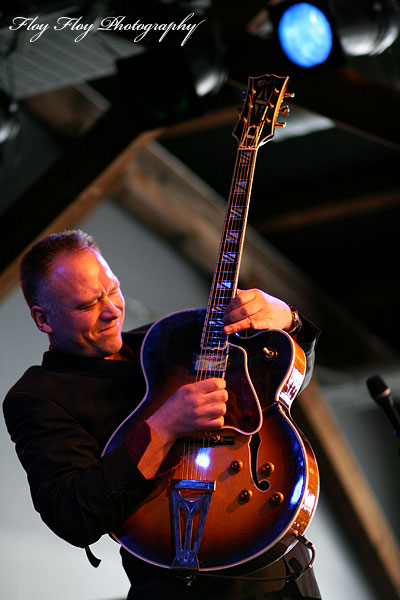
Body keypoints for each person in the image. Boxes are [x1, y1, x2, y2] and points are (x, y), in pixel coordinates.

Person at [3, 230, 321, 600]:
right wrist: (164, 426)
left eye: (113, 290)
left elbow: (281, 381)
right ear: (43, 319)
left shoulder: (170, 339)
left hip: (285, 567)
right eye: (87, 305)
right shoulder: (38, 397)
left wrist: (287, 318)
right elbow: (72, 515)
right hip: (184, 589)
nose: (111, 310)